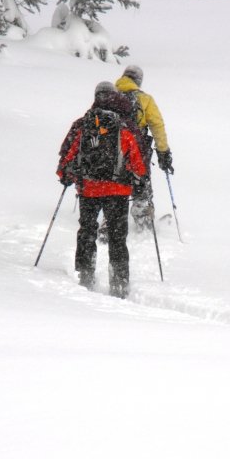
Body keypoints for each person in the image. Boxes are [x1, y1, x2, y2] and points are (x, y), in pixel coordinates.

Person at [56, 81, 146, 298]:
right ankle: (120, 284)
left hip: (89, 190)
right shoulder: (124, 127)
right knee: (117, 238)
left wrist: (66, 176)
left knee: (87, 232)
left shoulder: (83, 124)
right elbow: (137, 161)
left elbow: (67, 155)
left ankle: (85, 277)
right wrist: (140, 182)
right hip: (118, 192)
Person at [115, 65, 173, 231]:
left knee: (113, 183)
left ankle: (109, 222)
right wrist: (163, 151)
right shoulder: (144, 99)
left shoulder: (109, 96)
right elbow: (157, 126)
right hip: (137, 150)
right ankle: (143, 222)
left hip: (111, 150)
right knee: (140, 183)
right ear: (139, 81)